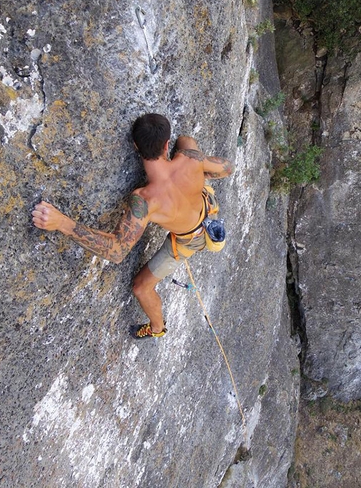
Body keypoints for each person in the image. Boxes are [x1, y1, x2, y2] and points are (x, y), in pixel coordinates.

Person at [32, 113, 234, 339]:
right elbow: (227, 168)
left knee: (141, 288)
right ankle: (158, 328)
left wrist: (63, 223)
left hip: (189, 240)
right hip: (207, 206)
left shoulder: (145, 201)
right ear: (167, 144)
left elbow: (117, 250)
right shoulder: (191, 158)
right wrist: (196, 174)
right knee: (187, 140)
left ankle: (158, 328)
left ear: (136, 146)